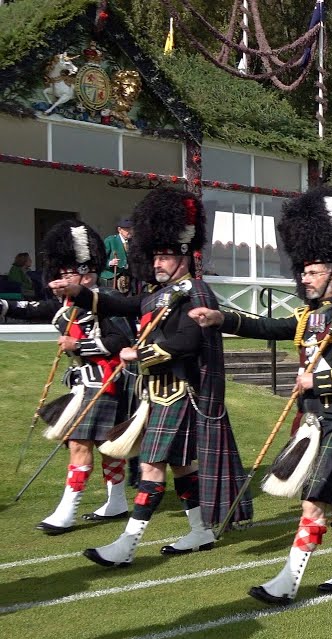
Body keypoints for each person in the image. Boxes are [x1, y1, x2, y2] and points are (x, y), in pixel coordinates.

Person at [190, 187, 332, 602]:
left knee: (314, 501)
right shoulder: (316, 311)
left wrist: (319, 382)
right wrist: (221, 318)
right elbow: (273, 327)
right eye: (303, 271)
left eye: (312, 272)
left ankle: (287, 582)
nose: (304, 278)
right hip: (318, 419)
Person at [54, 188, 251, 567]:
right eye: (155, 255)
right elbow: (120, 303)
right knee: (183, 466)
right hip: (156, 395)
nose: (157, 262)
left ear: (183, 256)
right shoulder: (160, 293)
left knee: (151, 467)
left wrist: (138, 353)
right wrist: (79, 292)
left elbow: (188, 341)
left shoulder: (196, 291)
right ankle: (200, 530)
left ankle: (126, 544)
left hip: (182, 393)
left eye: (164, 256)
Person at [1, 221, 136, 533]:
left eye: (67, 273)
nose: (61, 278)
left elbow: (122, 341)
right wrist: (5, 305)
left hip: (106, 379)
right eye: (59, 273)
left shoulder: (104, 298)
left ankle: (67, 511)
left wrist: (80, 345)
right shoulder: (65, 304)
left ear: (85, 273)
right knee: (107, 443)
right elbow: (33, 307)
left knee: (79, 443)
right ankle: (116, 501)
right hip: (83, 382)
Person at [101, 217, 131, 293]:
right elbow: (100, 258)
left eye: (132, 229)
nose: (130, 231)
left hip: (127, 278)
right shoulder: (111, 240)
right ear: (119, 230)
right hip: (112, 277)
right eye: (127, 229)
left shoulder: (133, 242)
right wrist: (110, 263)